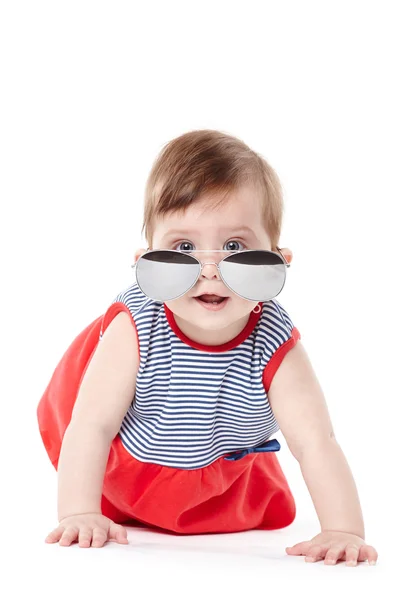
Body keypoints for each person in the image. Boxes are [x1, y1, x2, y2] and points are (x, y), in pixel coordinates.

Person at [38, 129, 378, 567]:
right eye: (184, 247)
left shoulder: (275, 342)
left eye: (235, 246)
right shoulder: (138, 325)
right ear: (145, 259)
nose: (210, 269)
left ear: (279, 258)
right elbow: (91, 425)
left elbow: (316, 442)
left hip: (214, 481)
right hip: (126, 473)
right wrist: (80, 512)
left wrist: (343, 529)